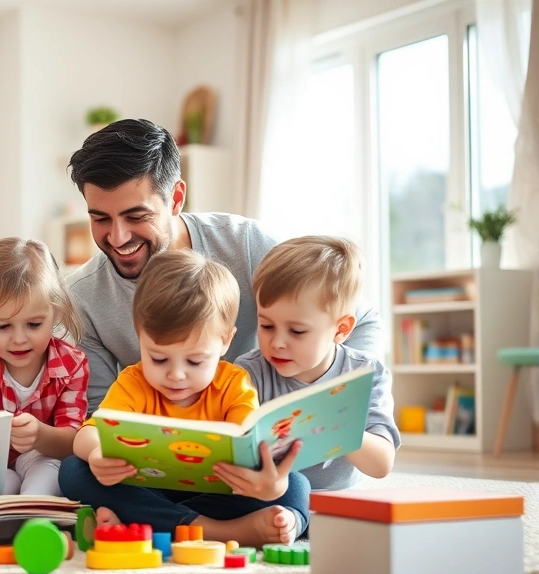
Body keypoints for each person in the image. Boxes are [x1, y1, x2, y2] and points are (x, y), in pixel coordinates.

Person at [65, 118, 383, 412]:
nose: (118, 238)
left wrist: (332, 409)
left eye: (137, 216)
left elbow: (363, 318)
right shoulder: (83, 297)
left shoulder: (246, 245)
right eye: (101, 218)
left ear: (176, 198)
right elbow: (100, 411)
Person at [59, 250, 310, 546]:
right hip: (150, 488)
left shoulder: (234, 383)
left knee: (295, 484)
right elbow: (86, 435)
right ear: (139, 335)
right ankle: (217, 532)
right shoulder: (133, 382)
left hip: (218, 493)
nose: (176, 375)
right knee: (74, 470)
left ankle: (145, 524)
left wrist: (267, 483)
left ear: (225, 341)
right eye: (159, 359)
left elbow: (249, 446)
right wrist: (98, 454)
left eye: (194, 362)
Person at [216, 236, 399, 494]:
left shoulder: (365, 374)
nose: (277, 342)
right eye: (266, 326)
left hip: (336, 501)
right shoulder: (250, 371)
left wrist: (334, 425)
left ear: (341, 329)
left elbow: (381, 464)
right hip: (265, 497)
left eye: (297, 331)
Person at [0, 238, 88, 496]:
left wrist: (40, 436)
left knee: (44, 481)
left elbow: (74, 442)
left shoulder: (72, 364)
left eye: (34, 324)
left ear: (55, 312)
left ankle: (31, 527)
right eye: (3, 327)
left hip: (43, 457)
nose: (19, 339)